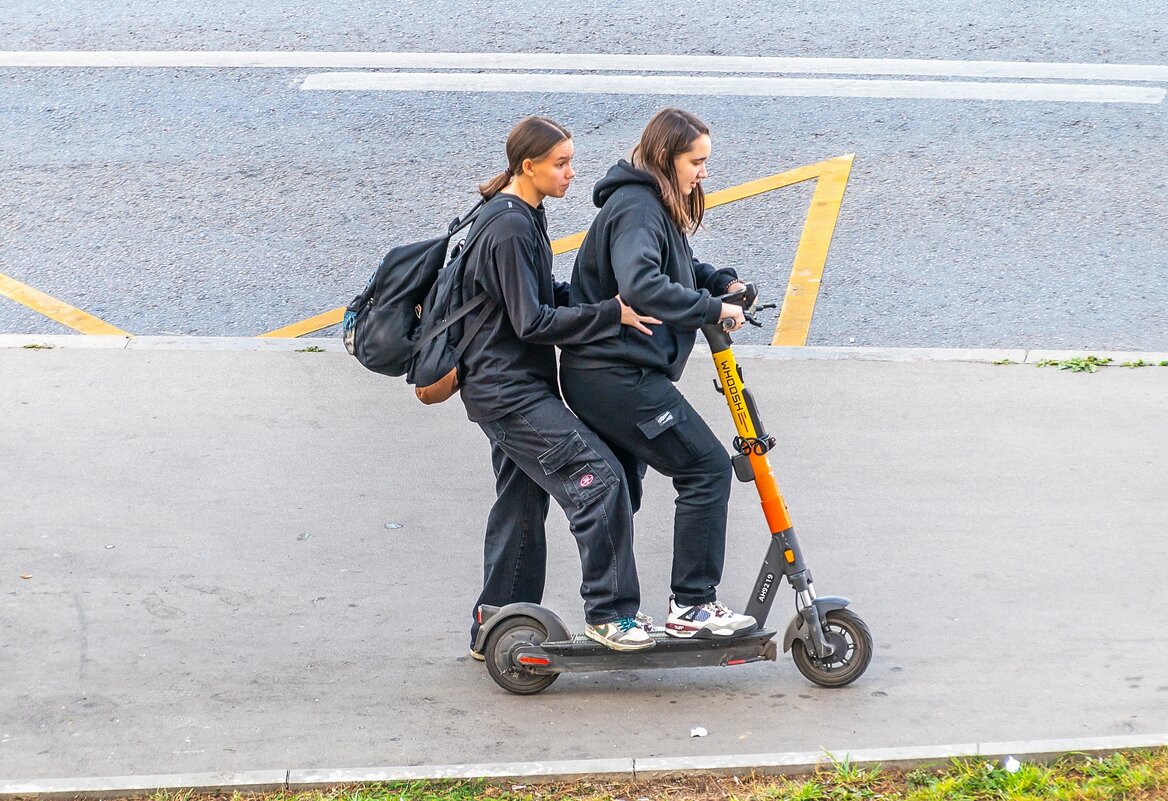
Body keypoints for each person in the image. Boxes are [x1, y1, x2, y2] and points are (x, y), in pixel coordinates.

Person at [457, 116, 662, 657]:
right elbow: (531, 320)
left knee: (522, 500)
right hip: (509, 391)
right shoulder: (509, 225)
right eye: (561, 163)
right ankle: (611, 615)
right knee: (600, 481)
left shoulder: (519, 211)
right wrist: (608, 314)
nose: (572, 173)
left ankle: (498, 619)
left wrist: (604, 299)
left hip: (503, 385)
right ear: (528, 166)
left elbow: (541, 290)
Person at [559, 108, 757, 639]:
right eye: (697, 161)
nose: (703, 173)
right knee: (707, 469)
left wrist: (718, 281)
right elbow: (643, 284)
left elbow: (676, 268)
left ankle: (612, 614)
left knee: (620, 488)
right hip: (615, 374)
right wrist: (713, 311)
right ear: (667, 157)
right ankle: (693, 605)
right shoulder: (638, 210)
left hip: (612, 370)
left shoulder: (651, 205)